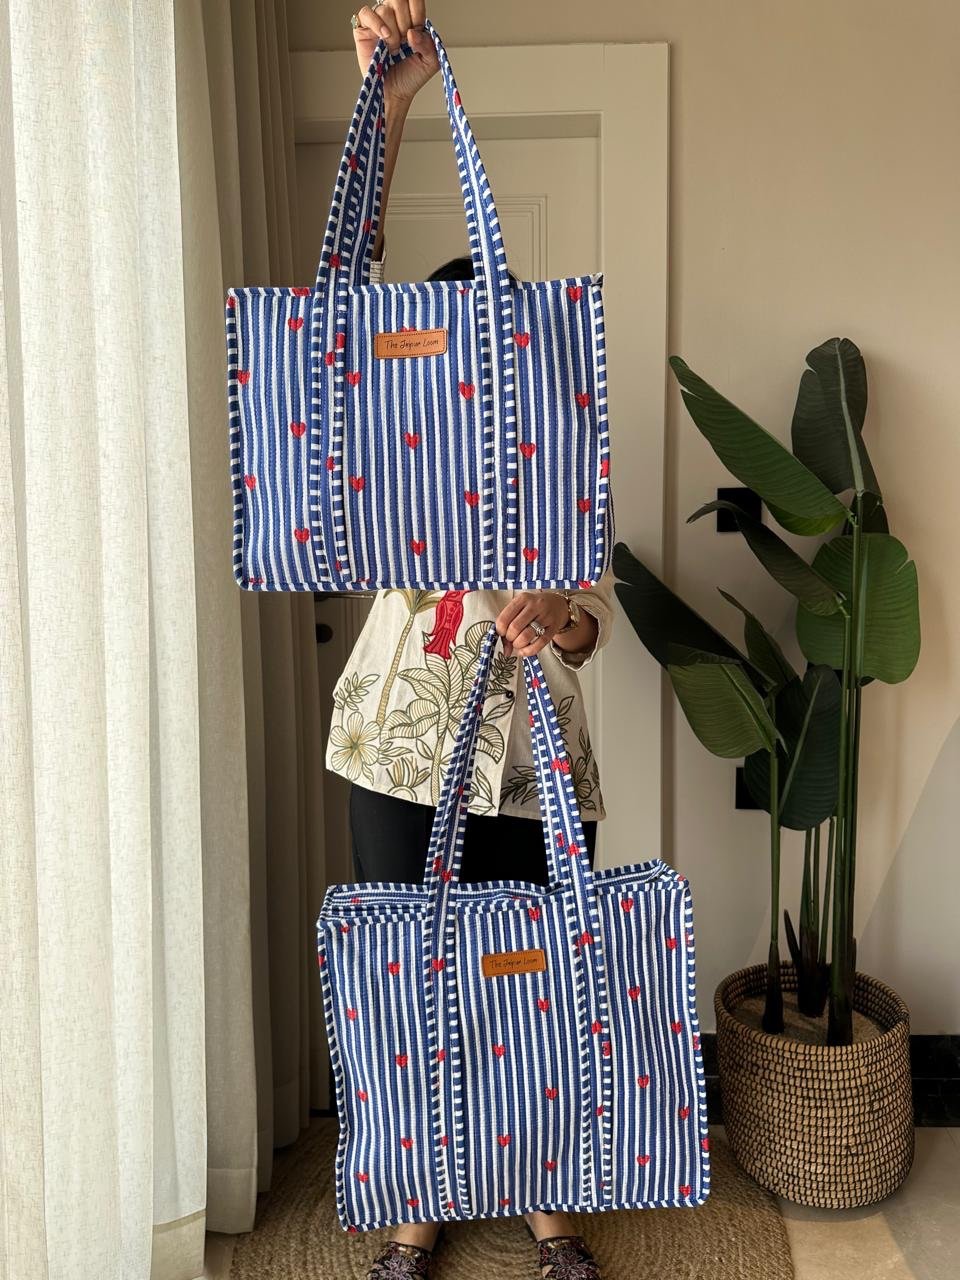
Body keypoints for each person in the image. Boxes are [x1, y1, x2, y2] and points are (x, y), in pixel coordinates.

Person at [325, 6, 613, 1277]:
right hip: (398, 753)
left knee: (536, 978)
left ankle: (548, 1211)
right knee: (411, 981)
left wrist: (558, 613)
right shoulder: (385, 463)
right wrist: (389, 108)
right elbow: (335, 314)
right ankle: (417, 1210)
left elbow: (594, 622)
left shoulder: (558, 468)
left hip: (537, 764)